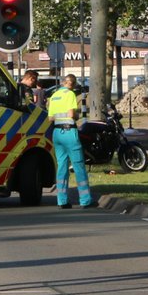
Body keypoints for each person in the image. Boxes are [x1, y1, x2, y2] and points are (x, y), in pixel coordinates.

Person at [47, 74, 95, 209]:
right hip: (69, 133)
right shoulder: (70, 95)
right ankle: (85, 199)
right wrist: (78, 115)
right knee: (78, 165)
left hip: (57, 132)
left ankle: (62, 200)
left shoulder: (54, 96)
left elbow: (50, 118)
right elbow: (71, 114)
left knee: (62, 166)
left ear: (63, 83)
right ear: (73, 85)